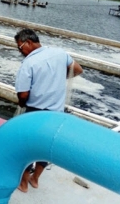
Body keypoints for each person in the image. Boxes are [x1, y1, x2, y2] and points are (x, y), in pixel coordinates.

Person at [14, 28, 83, 193]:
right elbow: (78, 69)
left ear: (29, 42)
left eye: (20, 47)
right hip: (56, 112)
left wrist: (22, 103)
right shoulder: (59, 53)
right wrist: (59, 78)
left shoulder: (29, 63)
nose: (20, 51)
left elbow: (23, 94)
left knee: (27, 146)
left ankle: (23, 183)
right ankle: (35, 179)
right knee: (46, 146)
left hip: (35, 111)